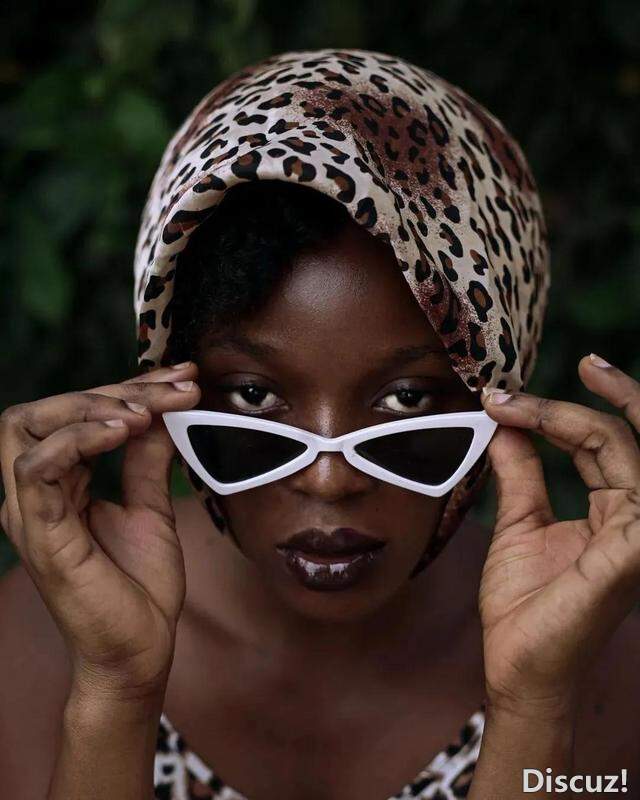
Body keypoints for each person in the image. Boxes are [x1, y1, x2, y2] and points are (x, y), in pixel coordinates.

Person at [1, 48, 639, 800]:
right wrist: (115, 687)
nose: (329, 479)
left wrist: (535, 704)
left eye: (407, 398)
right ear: (169, 381)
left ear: (499, 386)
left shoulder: (601, 659)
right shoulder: (49, 634)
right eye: (253, 394)